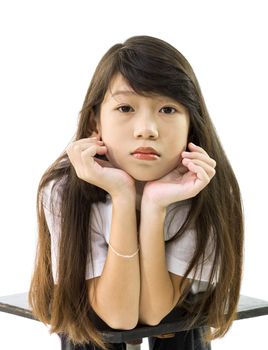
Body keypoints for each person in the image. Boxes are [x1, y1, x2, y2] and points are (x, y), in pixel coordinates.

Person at [29, 35, 244, 350]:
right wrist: (122, 196)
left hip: (177, 316)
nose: (147, 129)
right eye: (126, 107)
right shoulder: (63, 189)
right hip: (93, 313)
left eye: (168, 109)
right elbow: (118, 316)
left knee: (179, 331)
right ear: (95, 122)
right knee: (89, 332)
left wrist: (155, 206)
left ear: (191, 126)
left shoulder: (204, 188)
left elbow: (154, 312)